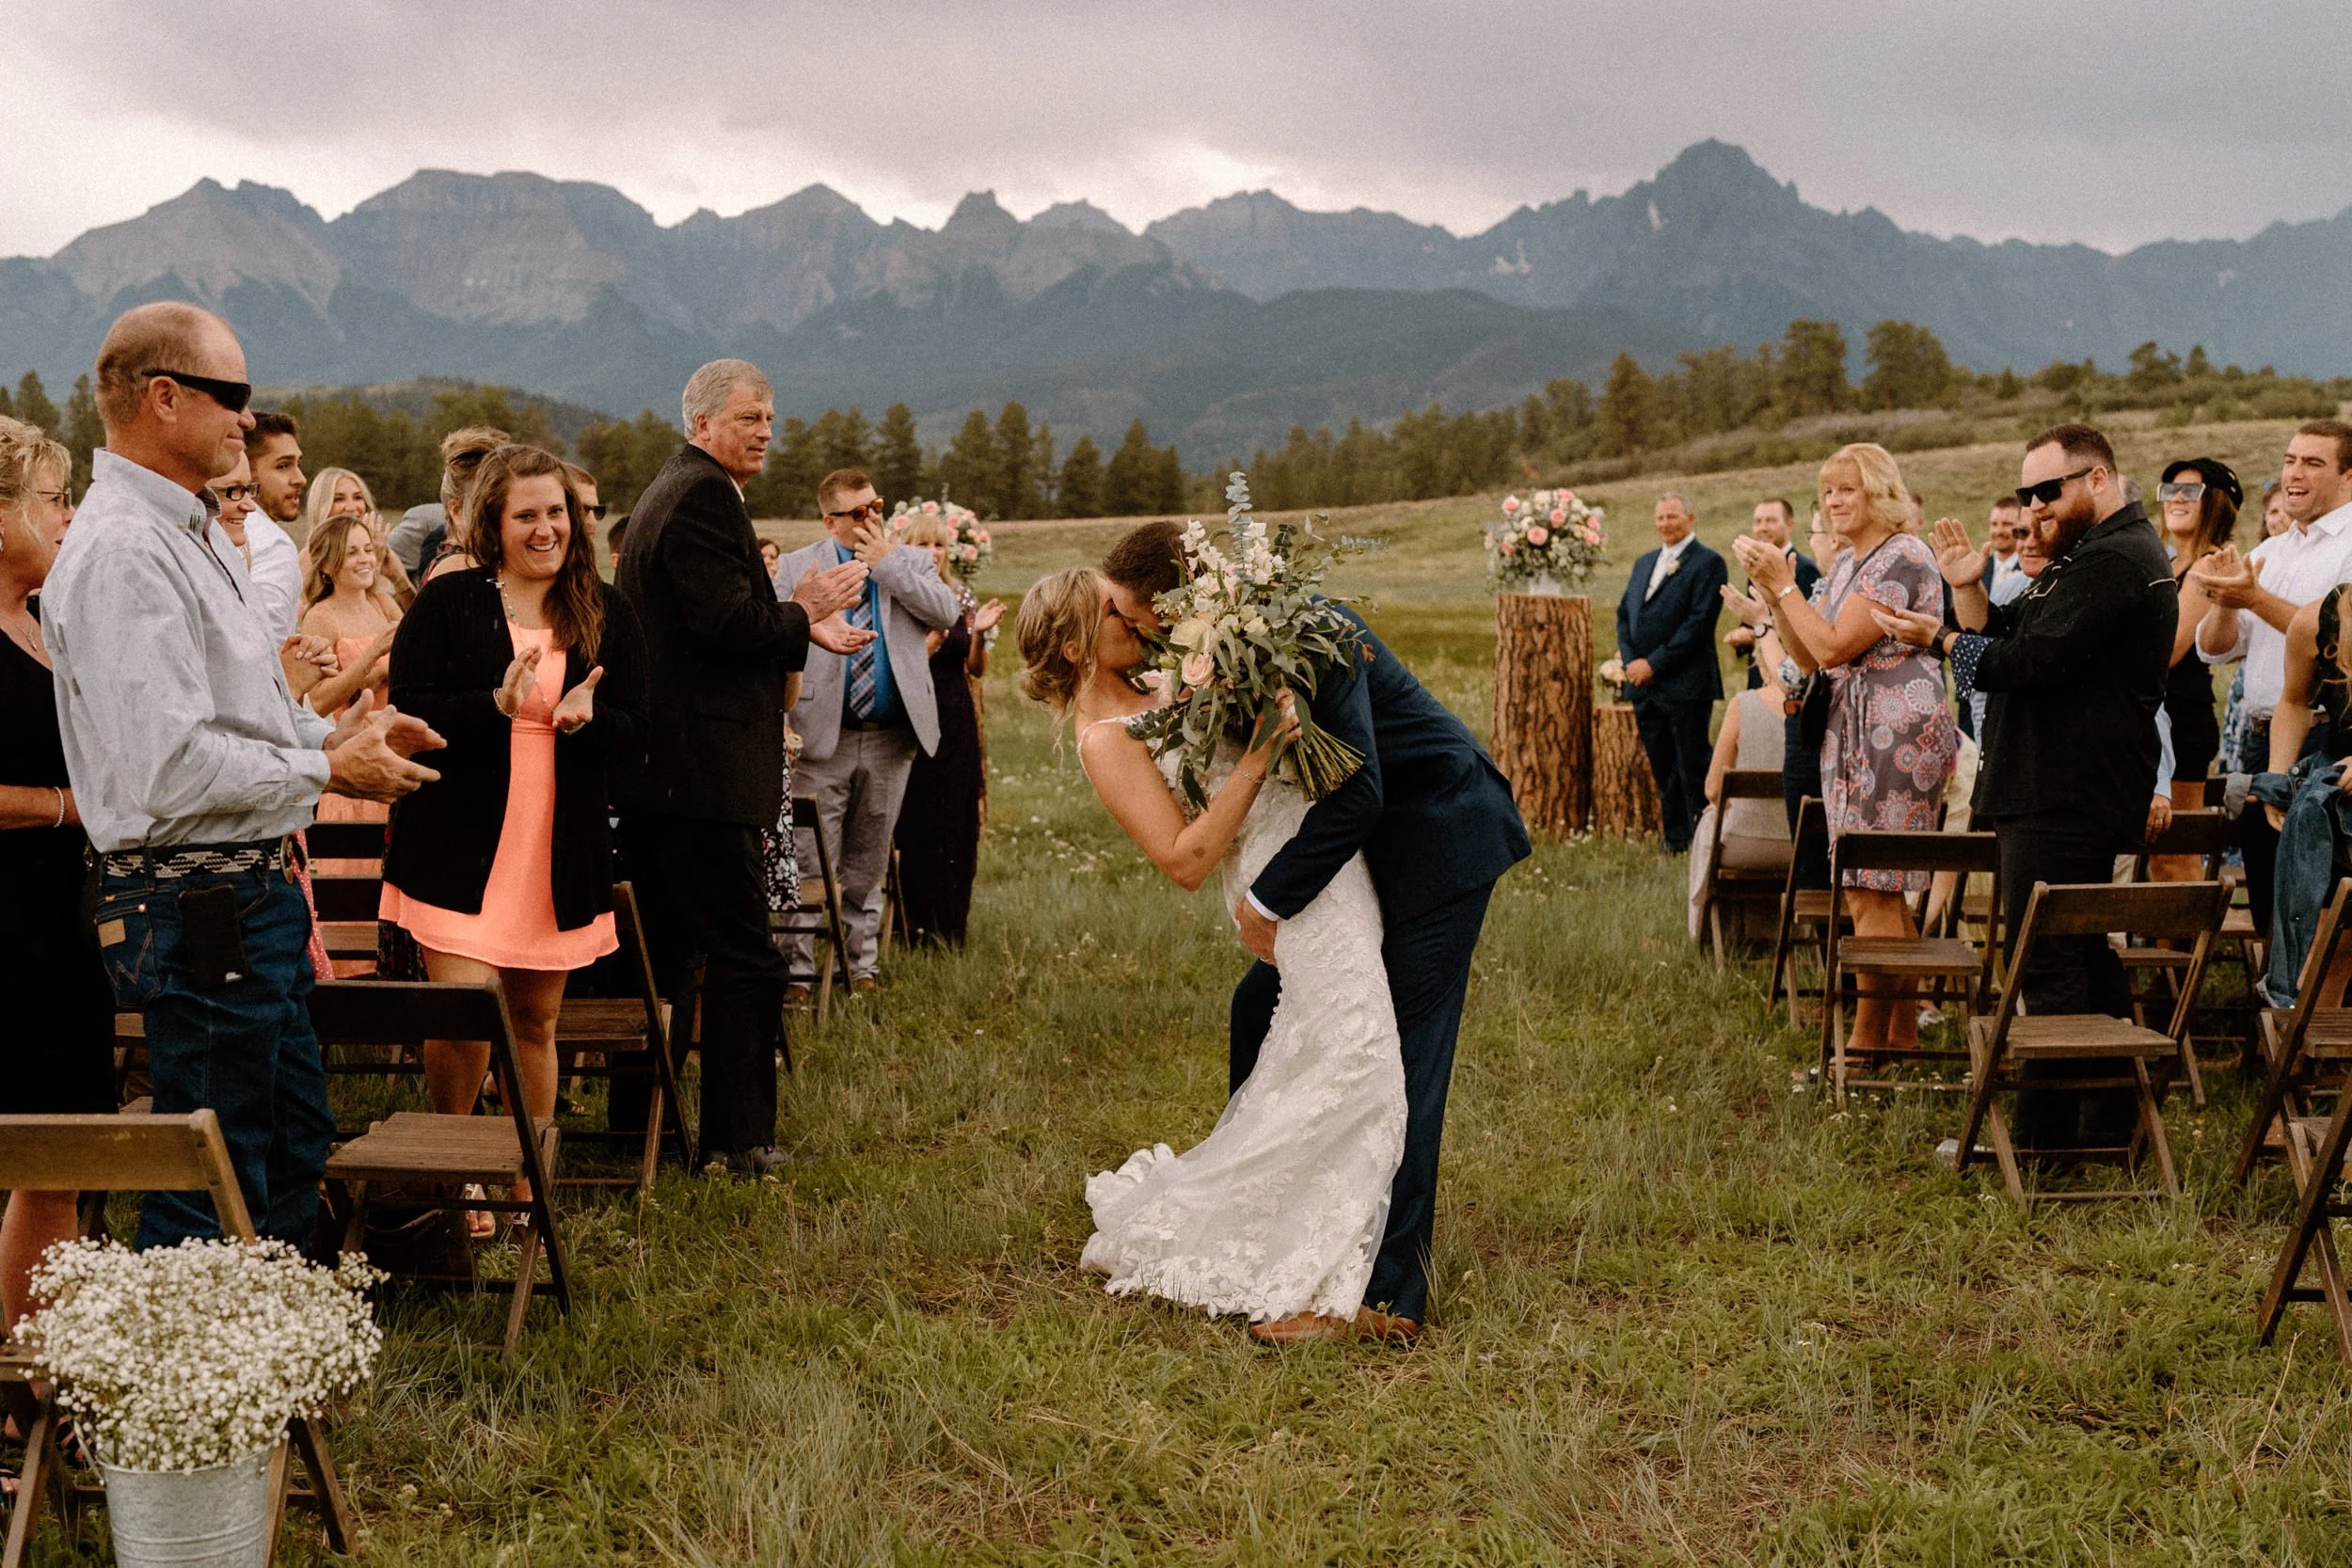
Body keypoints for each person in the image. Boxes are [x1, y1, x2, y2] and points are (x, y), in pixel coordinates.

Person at [40, 302, 442, 1248]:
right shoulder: (125, 550)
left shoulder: (193, 529)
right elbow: (169, 766)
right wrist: (325, 763)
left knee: (289, 1141)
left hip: (243, 891)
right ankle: (193, 1345)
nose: (248, 419)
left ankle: (277, 1338)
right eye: (234, 395)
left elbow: (239, 713)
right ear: (163, 397)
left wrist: (342, 731)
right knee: (215, 1174)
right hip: (198, 901)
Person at [1096, 520, 1530, 1346]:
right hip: (1365, 866)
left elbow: (1359, 789)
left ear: (1169, 602)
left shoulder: (1306, 629)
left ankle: (1388, 1298)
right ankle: (1266, 1202)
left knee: (1398, 1059)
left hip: (1440, 837)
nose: (1124, 627)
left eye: (1127, 612)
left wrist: (1267, 901)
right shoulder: (1227, 640)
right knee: (1255, 1007)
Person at [1880, 423, 2175, 1151]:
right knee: (2082, 954)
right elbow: (2009, 632)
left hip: (2062, 793)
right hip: (2057, 788)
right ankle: (2107, 1125)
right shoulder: (2087, 556)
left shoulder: (2115, 560)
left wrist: (1939, 640)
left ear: (2098, 479)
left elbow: (2030, 663)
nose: (2035, 505)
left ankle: (2045, 1141)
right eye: (2027, 492)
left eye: (2049, 489)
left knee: (2045, 960)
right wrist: (1967, 588)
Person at [612, 359, 866, 1179]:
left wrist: (797, 624)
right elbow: (727, 624)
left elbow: (711, 623)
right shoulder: (702, 496)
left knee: (663, 956)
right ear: (703, 423)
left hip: (667, 772)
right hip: (702, 775)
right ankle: (740, 1140)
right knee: (745, 957)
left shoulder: (676, 489)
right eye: (750, 417)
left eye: (770, 417)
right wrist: (805, 609)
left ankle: (638, 1131)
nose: (766, 431)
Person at [379, 445, 646, 1196]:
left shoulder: (606, 609)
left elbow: (639, 728)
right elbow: (407, 710)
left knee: (534, 1021)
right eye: (526, 514)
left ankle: (528, 1177)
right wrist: (493, 707)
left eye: (556, 512)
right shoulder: (447, 602)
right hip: (459, 845)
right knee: (465, 1019)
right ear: (492, 524)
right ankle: (457, 1174)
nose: (545, 528)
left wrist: (591, 720)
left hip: (555, 847)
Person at [1739, 444, 1955, 1062]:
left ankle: (1863, 1044)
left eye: (1847, 489)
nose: (1833, 501)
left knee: (1870, 885)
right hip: (1853, 731)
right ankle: (1899, 1037)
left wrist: (1787, 586)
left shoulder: (1902, 555)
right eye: (1827, 491)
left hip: (1893, 731)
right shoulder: (1847, 565)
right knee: (1876, 887)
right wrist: (1776, 595)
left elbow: (1835, 646)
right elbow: (1809, 655)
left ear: (1879, 493)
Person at [0, 418, 114, 1333]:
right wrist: (65, 806)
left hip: (62, 928)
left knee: (59, 1158)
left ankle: (33, 1376)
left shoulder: (43, 623)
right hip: (4, 926)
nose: (69, 517)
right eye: (53, 499)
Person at [773, 467, 961, 991]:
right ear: (830, 521)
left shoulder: (910, 561)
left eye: (877, 506)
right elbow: (772, 645)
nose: (872, 518)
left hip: (889, 737)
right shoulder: (796, 567)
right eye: (858, 512)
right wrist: (780, 723)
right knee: (810, 859)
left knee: (868, 859)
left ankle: (859, 967)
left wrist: (888, 565)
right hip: (819, 735)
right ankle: (798, 971)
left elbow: (946, 612)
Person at [2192, 421, 2352, 934]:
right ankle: (2273, 985)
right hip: (2264, 742)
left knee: (2323, 908)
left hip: (2329, 739)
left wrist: (2254, 598)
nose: (2294, 474)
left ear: (2348, 477)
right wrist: (2224, 599)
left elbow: (2330, 642)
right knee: (2269, 898)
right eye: (2289, 461)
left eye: (2313, 463)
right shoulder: (2272, 551)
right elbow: (2216, 648)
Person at [889, 514, 1006, 947]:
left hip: (955, 717)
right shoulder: (897, 597)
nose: (932, 554)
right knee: (916, 819)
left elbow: (975, 668)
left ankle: (952, 926)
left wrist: (978, 636)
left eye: (938, 545)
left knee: (956, 820)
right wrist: (929, 645)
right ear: (905, 549)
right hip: (910, 718)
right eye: (922, 545)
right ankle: (912, 926)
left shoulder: (960, 595)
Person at [1616, 492, 1728, 853]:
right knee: (1662, 764)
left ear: (1690, 518)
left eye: (1672, 516)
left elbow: (1698, 624)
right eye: (1660, 517)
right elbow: (1624, 615)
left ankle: (1704, 838)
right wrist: (1632, 662)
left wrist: (1654, 664)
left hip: (1685, 684)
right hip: (1644, 687)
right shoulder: (1645, 562)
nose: (1665, 524)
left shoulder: (1709, 562)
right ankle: (1675, 838)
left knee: (1692, 764)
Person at [2149, 458, 2238, 879]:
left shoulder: (2208, 565)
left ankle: (2195, 926)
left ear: (2216, 503)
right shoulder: (2168, 565)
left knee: (2175, 854)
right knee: (2157, 856)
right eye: (2170, 490)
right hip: (2155, 715)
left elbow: (2169, 649)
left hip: (2182, 719)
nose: (2177, 498)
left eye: (2191, 491)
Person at [1687, 649, 1790, 939]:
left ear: (1763, 666)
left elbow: (1713, 788)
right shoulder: (1822, 704)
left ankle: (1711, 932)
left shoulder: (1743, 705)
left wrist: (1724, 804)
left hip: (1743, 845)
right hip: (1803, 846)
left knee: (1709, 822)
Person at [1724, 498, 1820, 688]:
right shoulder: (1756, 567)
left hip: (1792, 672)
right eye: (1758, 522)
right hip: (1760, 672)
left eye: (1771, 521)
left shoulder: (1804, 568)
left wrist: (1754, 633)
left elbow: (1807, 625)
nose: (1763, 528)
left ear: (1790, 524)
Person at [235, 410, 307, 640]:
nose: (300, 479)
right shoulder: (273, 545)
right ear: (245, 470)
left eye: (298, 464)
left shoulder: (220, 526)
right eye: (283, 466)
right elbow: (268, 641)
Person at [421, 426, 510, 582]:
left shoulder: (493, 561)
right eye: (488, 507)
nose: (500, 514)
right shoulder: (455, 572)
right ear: (457, 511)